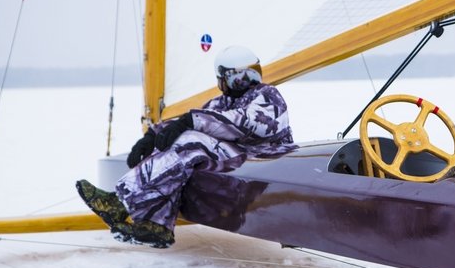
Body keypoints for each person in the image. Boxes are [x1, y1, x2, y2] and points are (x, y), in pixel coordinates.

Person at [76, 45, 296, 248]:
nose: (247, 81)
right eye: (238, 77)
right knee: (177, 141)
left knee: (190, 140)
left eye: (251, 73)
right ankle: (155, 225)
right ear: (224, 79)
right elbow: (197, 117)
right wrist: (154, 135)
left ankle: (119, 202)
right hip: (240, 156)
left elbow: (246, 123)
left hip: (267, 156)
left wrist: (190, 122)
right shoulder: (222, 102)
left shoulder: (267, 95)